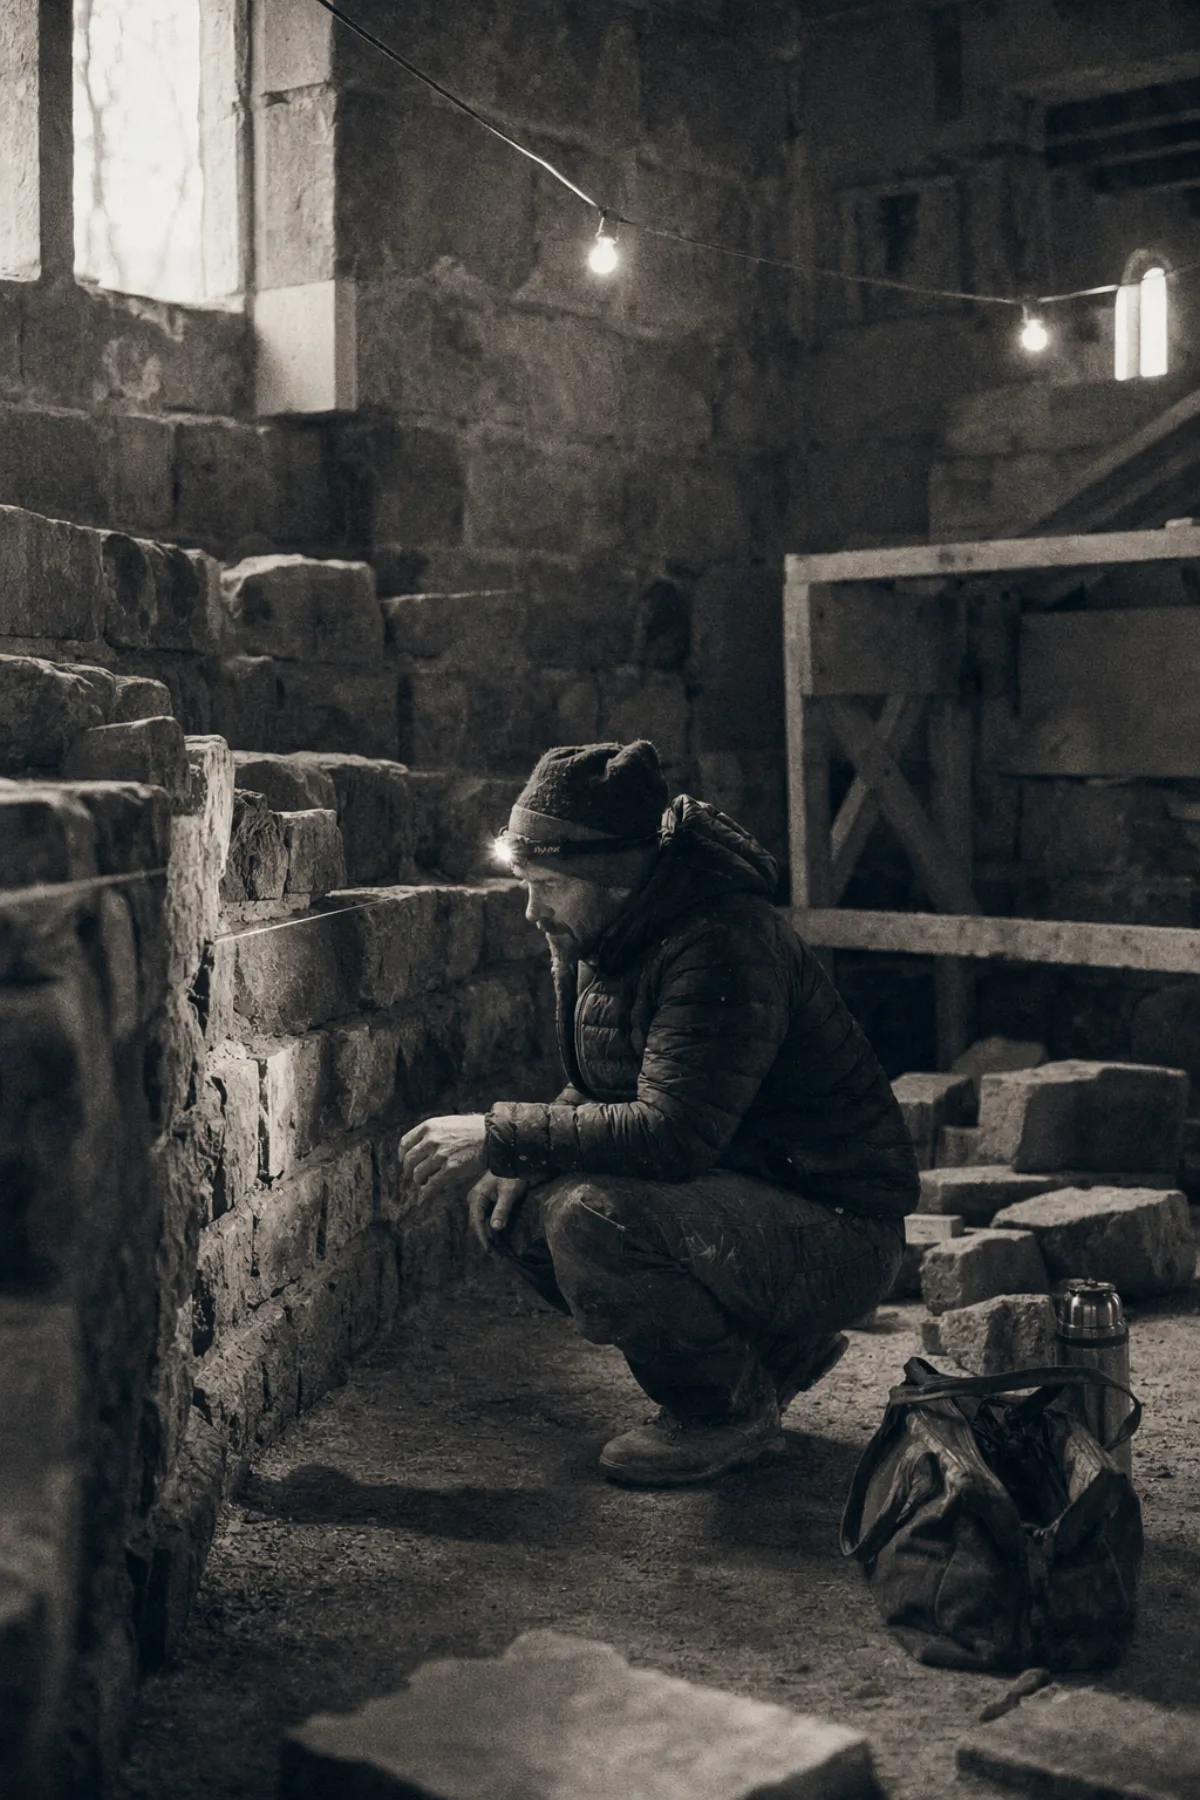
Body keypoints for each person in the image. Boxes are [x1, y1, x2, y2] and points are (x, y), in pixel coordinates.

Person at [399, 740, 919, 1486]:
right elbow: (608, 1087)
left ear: (612, 879)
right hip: (750, 1198)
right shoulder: (609, 933)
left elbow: (672, 1133)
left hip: (840, 1233)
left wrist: (501, 1133)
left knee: (590, 1218)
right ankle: (764, 1358)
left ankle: (721, 1414)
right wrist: (525, 1153)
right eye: (525, 880)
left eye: (548, 883)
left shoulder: (723, 943)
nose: (530, 908)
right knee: (512, 1206)